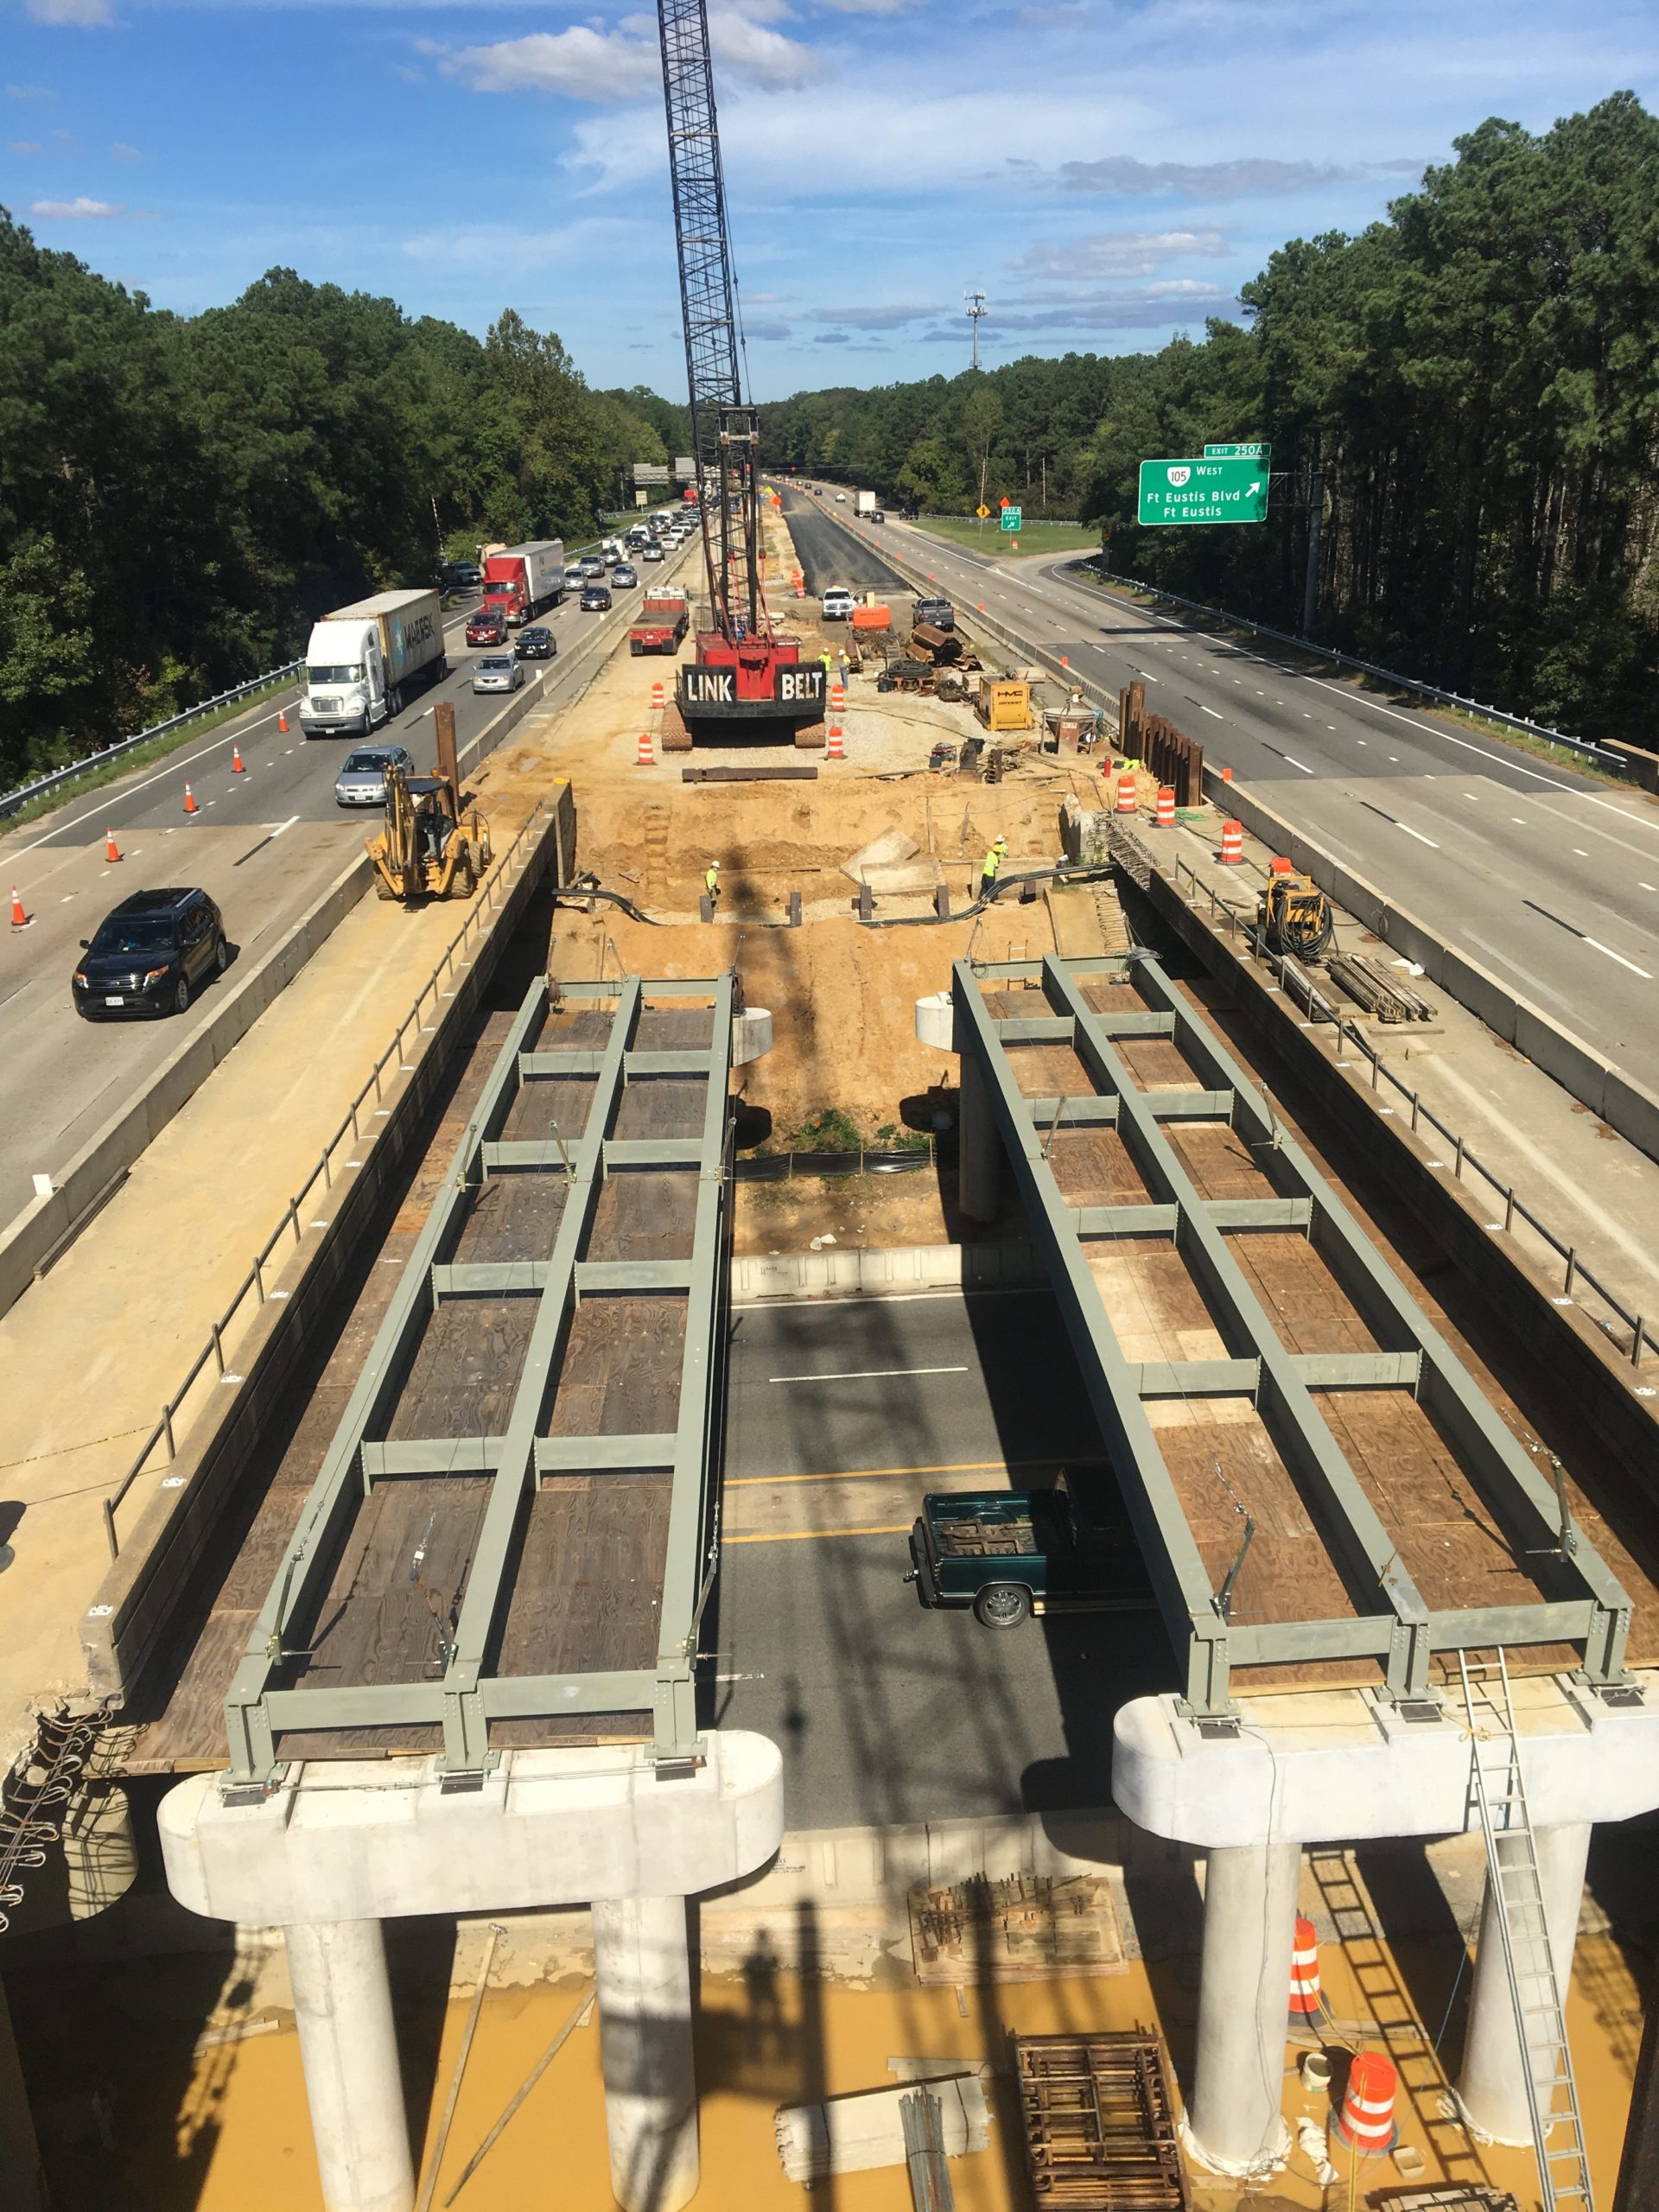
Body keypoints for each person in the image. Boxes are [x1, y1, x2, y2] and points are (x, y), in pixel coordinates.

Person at [979, 837, 1006, 902]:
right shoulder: (995, 858)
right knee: (992, 886)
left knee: (984, 885)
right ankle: (995, 899)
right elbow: (996, 867)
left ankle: (981, 897)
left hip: (985, 872)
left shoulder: (990, 854)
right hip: (990, 873)